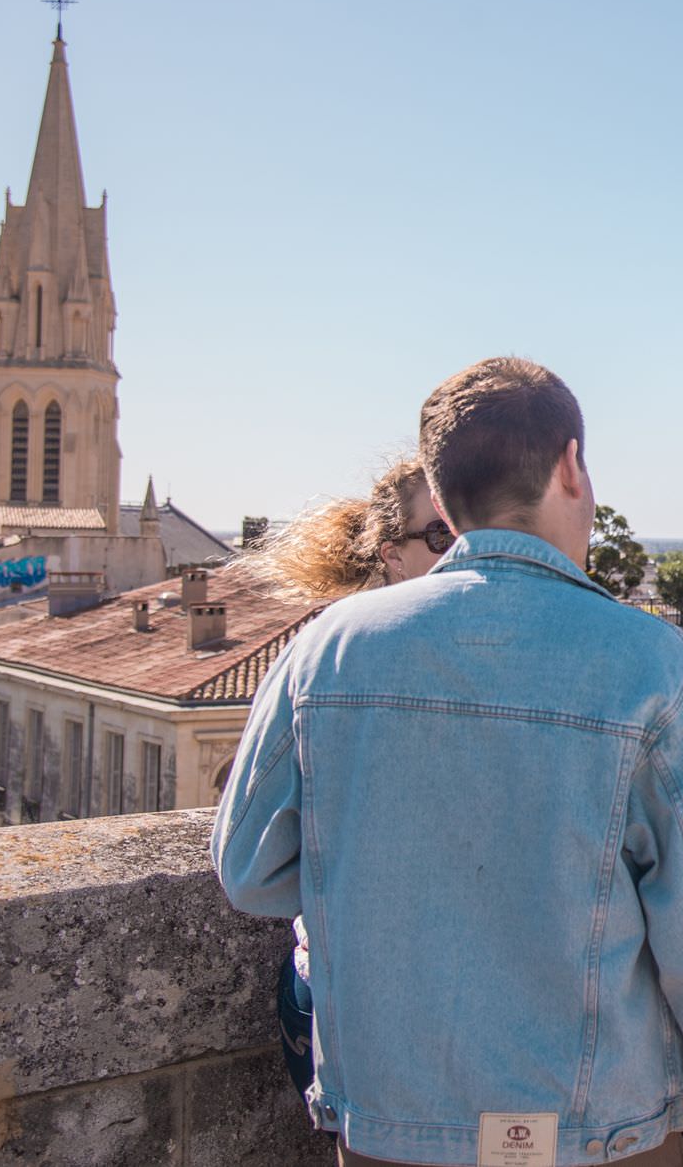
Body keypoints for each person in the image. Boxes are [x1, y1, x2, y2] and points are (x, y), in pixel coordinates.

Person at [213, 357, 683, 1167]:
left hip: (390, 1128)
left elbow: (249, 871)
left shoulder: (326, 654)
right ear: (572, 467)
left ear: (443, 500)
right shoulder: (652, 667)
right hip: (596, 1135)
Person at [235, 458, 455, 1109]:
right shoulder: (335, 661)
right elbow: (249, 869)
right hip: (352, 998)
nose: (466, 551)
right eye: (442, 537)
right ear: (393, 554)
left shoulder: (329, 657)